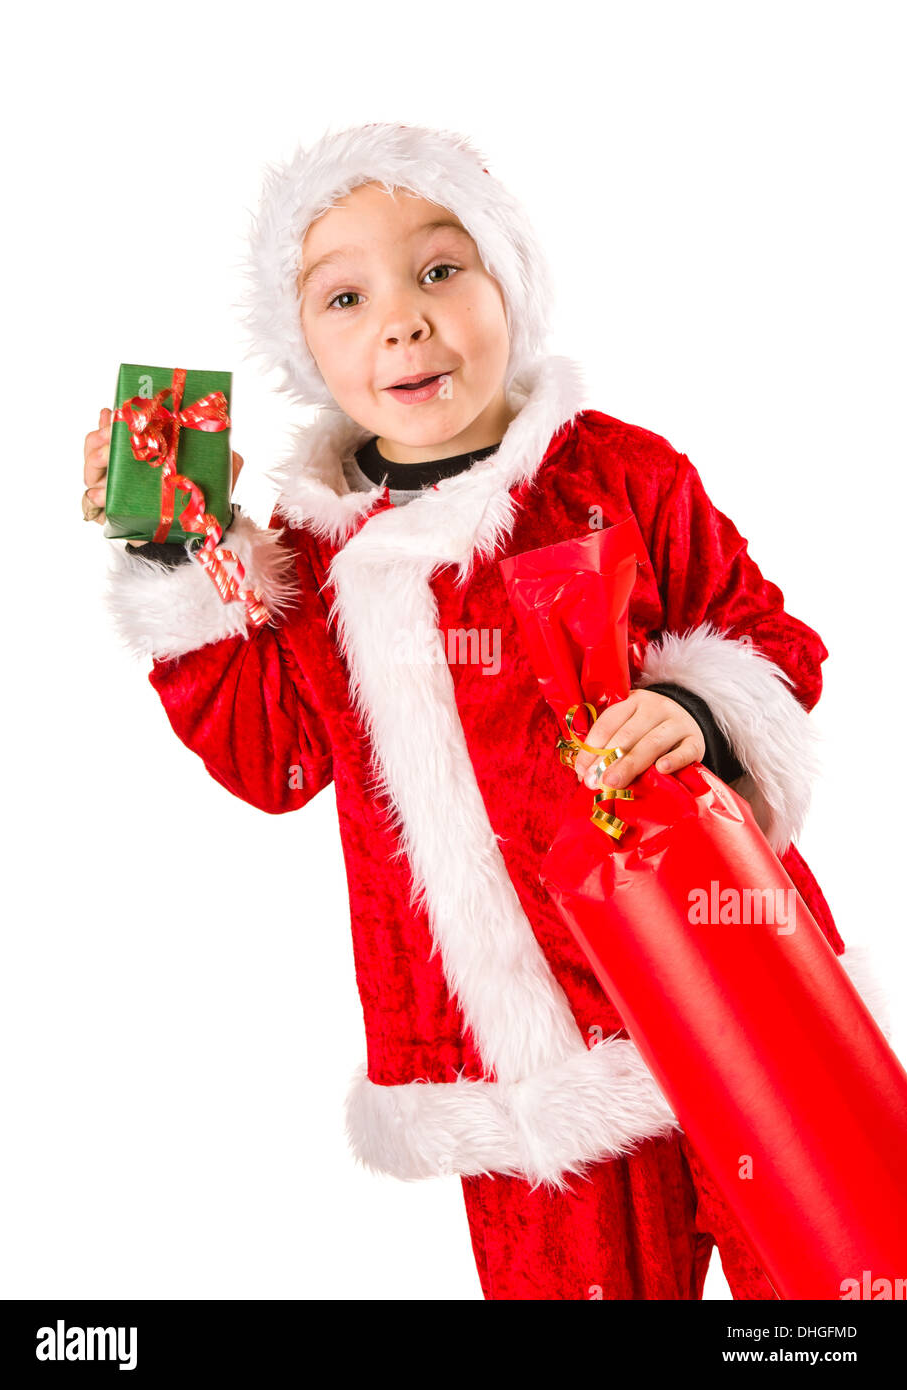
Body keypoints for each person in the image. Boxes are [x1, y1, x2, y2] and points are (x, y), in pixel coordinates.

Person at [81, 121, 891, 1301]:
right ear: (302, 344)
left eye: (440, 269)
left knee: (840, 1281)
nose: (402, 319)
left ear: (511, 281)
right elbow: (271, 757)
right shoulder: (309, 557)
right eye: (345, 295)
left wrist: (700, 712)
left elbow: (766, 638)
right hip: (522, 1075)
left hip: (732, 983)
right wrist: (174, 560)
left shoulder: (616, 473)